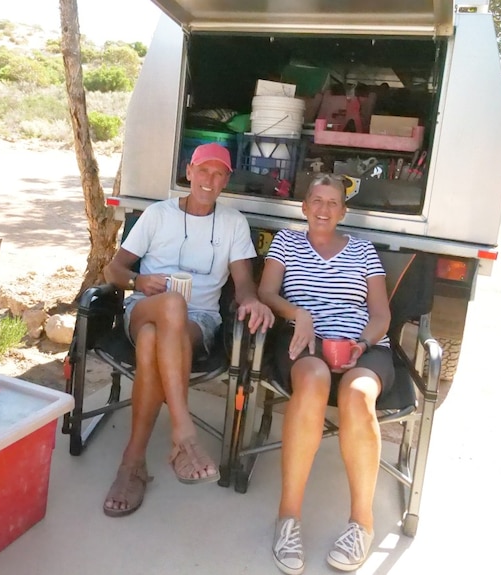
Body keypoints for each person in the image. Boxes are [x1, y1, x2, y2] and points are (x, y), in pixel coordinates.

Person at [101, 142, 274, 517]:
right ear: (189, 171)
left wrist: (252, 300)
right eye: (204, 171)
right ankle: (183, 432)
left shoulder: (233, 223)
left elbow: (243, 282)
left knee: (154, 339)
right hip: (144, 308)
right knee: (170, 306)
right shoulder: (157, 215)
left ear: (226, 180)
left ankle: (133, 464)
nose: (210, 180)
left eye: (219, 174)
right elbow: (112, 270)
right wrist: (137, 282)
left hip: (200, 322)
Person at [257, 174, 394, 573]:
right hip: (306, 343)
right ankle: (288, 519)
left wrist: (363, 345)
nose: (323, 209)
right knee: (313, 381)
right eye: (316, 200)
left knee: (358, 395)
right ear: (304, 207)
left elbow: (382, 314)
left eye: (332, 203)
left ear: (343, 212)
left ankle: (361, 525)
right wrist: (297, 314)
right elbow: (267, 293)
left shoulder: (364, 251)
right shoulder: (286, 242)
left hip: (362, 345)